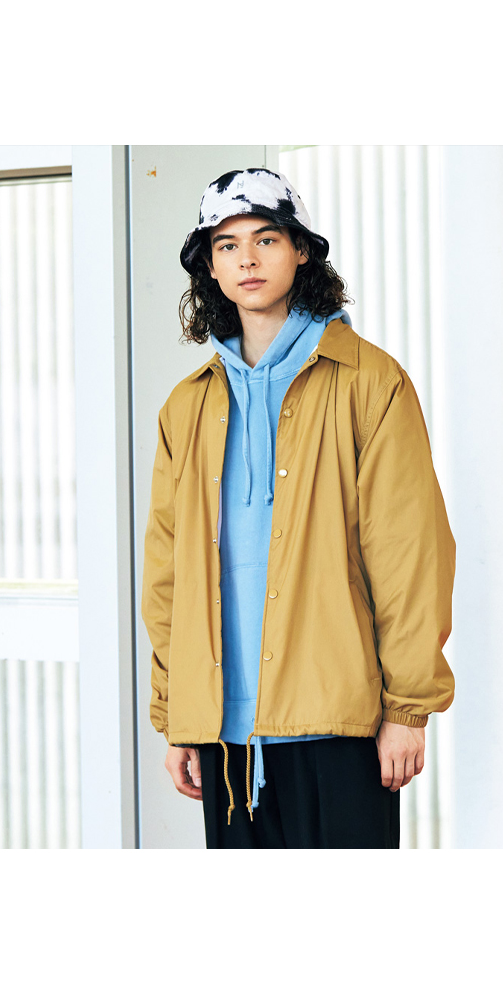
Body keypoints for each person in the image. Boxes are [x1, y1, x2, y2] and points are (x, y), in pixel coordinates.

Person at [141, 169, 457, 852]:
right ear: (210, 268)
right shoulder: (187, 406)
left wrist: (407, 710)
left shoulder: (371, 382)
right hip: (224, 729)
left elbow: (409, 554)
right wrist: (178, 712)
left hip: (337, 718)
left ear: (302, 251)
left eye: (266, 239)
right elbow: (167, 573)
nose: (247, 260)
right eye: (226, 246)